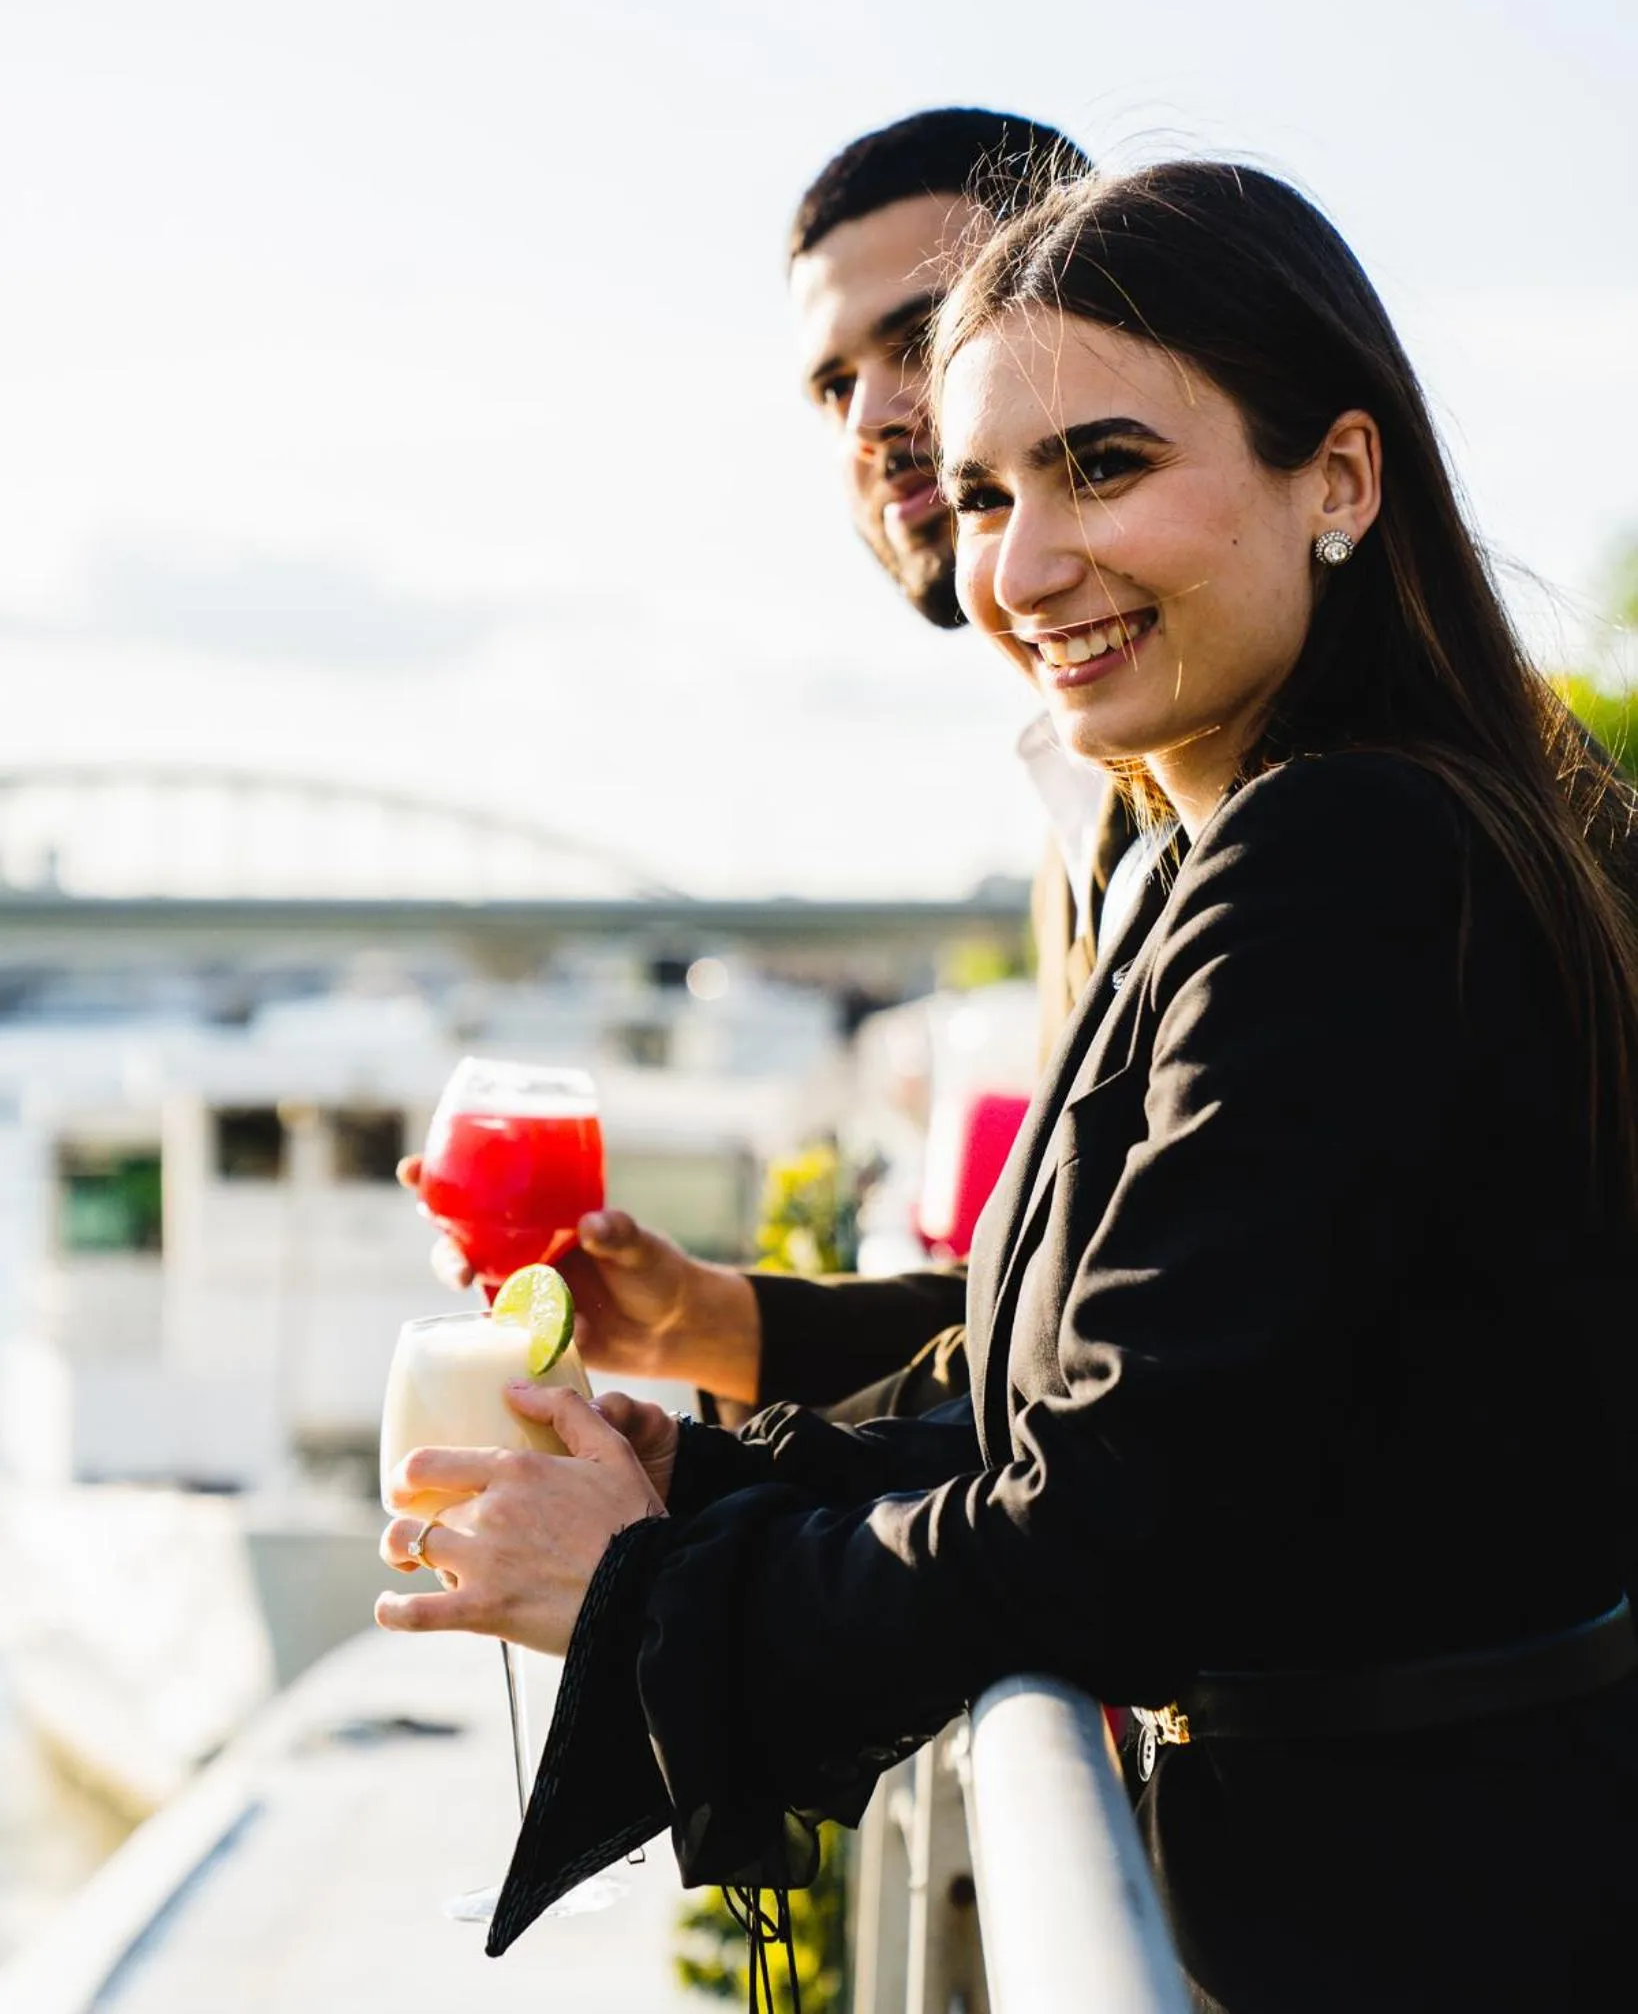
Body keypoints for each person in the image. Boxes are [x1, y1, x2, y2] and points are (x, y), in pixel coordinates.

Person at [379, 160, 1638, 2009]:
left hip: (1406, 1919)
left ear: (1340, 481)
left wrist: (644, 1599)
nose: (1023, 568)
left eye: (1103, 468)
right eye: (984, 494)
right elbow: (1106, 1390)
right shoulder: (1326, 832)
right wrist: (700, 1489)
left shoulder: (1341, 856)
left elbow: (1125, 1525)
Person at [404, 108, 1118, 1427]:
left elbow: (1128, 1426)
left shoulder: (1282, 806)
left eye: (920, 339)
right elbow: (1061, 1321)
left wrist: (690, 1527)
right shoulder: (1080, 798)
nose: (878, 416)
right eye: (832, 385)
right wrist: (698, 1322)